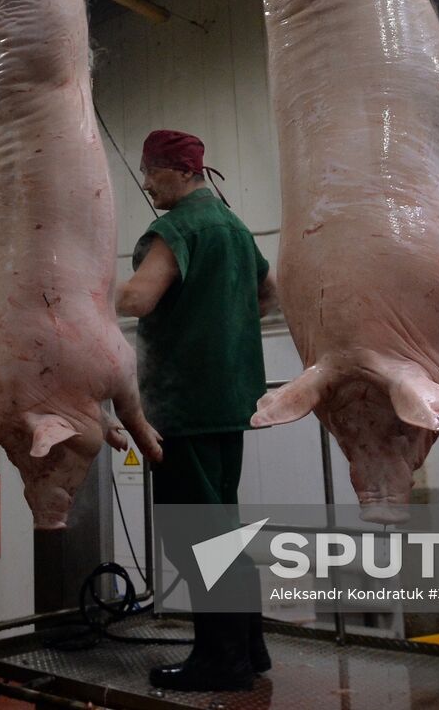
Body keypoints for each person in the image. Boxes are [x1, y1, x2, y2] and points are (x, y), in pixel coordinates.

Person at [115, 129, 279, 692]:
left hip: (182, 403)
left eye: (151, 171)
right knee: (220, 526)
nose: (146, 182)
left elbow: (137, 298)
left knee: (194, 537)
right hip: (230, 400)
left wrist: (74, 292)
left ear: (182, 172)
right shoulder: (234, 227)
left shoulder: (178, 227)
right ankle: (249, 647)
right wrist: (222, 324)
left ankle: (222, 662)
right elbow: (267, 293)